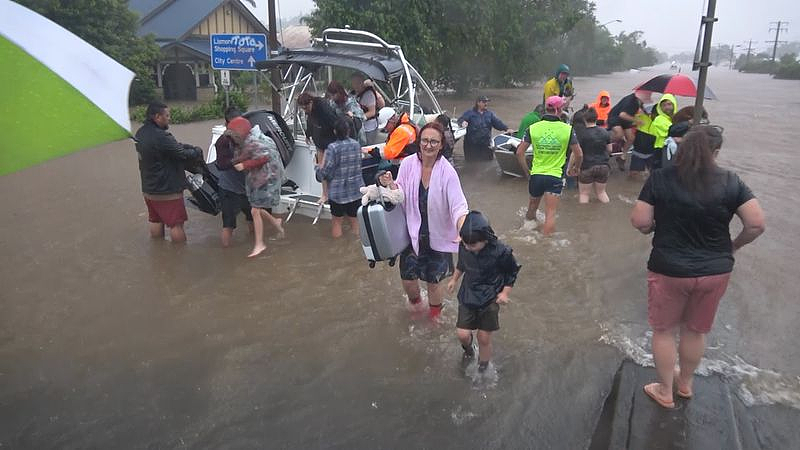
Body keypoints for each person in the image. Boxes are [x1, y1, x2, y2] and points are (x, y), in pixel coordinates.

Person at [630, 125, 765, 409]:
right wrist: (734, 245)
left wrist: (653, 228)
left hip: (669, 268)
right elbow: (756, 224)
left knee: (664, 330)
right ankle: (686, 384)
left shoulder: (661, 178)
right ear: (715, 153)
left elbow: (640, 221)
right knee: (695, 330)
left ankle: (665, 391)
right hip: (716, 269)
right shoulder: (731, 181)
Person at [381, 122, 469, 321]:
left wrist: (463, 230)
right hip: (412, 232)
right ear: (419, 142)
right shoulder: (408, 163)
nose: (428, 146)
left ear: (441, 145)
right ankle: (416, 307)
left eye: (434, 142)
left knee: (433, 281)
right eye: (425, 141)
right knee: (408, 279)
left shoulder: (448, 172)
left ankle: (434, 319)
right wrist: (391, 184)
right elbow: (400, 193)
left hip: (436, 235)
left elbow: (459, 206)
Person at [447, 211, 520, 373]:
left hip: (490, 297)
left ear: (485, 239)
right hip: (468, 294)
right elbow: (462, 264)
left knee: (484, 337)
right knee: (462, 334)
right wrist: (454, 279)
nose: (467, 247)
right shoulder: (465, 244)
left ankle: (482, 368)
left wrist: (505, 293)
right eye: (465, 244)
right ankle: (469, 351)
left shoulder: (501, 252)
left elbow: (512, 272)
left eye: (472, 245)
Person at [134, 102, 202, 243]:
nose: (169, 118)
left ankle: (161, 255)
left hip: (149, 189)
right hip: (167, 191)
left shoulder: (140, 133)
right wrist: (196, 151)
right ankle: (179, 257)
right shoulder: (161, 136)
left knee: (156, 220)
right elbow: (181, 153)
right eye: (167, 115)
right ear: (157, 117)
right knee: (176, 224)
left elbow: (171, 148)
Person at [515, 96, 582, 235]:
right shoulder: (567, 129)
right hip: (555, 176)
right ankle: (545, 245)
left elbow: (519, 152)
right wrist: (575, 168)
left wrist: (527, 172)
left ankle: (528, 231)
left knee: (532, 207)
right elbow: (579, 154)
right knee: (550, 213)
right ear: (560, 110)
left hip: (536, 175)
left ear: (546, 109)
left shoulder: (533, 128)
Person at [228, 117, 286, 258]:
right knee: (257, 208)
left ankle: (259, 244)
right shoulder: (246, 141)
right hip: (259, 177)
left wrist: (244, 165)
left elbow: (264, 157)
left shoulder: (255, 141)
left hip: (267, 177)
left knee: (255, 210)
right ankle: (277, 225)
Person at [315, 118, 365, 238]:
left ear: (335, 131)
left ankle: (337, 247)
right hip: (355, 191)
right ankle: (354, 247)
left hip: (338, 193)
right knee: (355, 221)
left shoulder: (333, 148)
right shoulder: (356, 144)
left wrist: (317, 167)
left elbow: (326, 172)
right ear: (348, 130)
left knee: (337, 222)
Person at [214, 107, 254, 247]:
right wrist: (239, 160)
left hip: (247, 187)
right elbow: (221, 165)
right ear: (227, 124)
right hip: (229, 189)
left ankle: (255, 245)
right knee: (228, 225)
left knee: (253, 218)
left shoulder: (250, 137)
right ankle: (227, 255)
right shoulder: (223, 141)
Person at [298, 93, 339, 203]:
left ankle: (334, 195)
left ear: (311, 102)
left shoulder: (323, 107)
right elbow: (310, 121)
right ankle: (324, 195)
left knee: (331, 169)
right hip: (319, 141)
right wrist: (307, 134)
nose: (305, 110)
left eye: (306, 107)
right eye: (302, 108)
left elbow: (335, 122)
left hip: (330, 141)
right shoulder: (309, 111)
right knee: (322, 169)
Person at [458, 96, 513, 162]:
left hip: (486, 144)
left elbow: (498, 123)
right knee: (472, 164)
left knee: (487, 163)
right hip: (472, 145)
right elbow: (460, 120)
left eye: (487, 102)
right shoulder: (469, 113)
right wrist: (463, 122)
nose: (486, 104)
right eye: (484, 102)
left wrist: (506, 129)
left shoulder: (490, 114)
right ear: (478, 103)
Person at [576, 108, 612, 203]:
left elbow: (576, 153)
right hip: (603, 166)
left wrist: (572, 167)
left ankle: (583, 216)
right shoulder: (605, 132)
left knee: (584, 194)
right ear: (596, 118)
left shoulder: (581, 134)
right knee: (601, 193)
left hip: (587, 166)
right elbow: (610, 150)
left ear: (584, 119)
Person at [606, 91, 647, 169]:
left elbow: (642, 111)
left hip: (626, 119)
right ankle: (604, 143)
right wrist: (636, 121)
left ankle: (622, 157)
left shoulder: (639, 101)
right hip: (615, 117)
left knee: (631, 138)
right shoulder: (630, 100)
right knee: (619, 134)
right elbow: (622, 115)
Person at [327, 80, 367, 145]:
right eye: (330, 95)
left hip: (355, 134)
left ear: (339, 92)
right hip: (341, 134)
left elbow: (363, 117)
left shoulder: (350, 102)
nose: (332, 97)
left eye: (333, 94)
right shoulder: (333, 104)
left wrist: (353, 116)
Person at [646, 94, 677, 172]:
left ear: (674, 104)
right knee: (659, 173)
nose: (667, 107)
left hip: (668, 149)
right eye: (664, 105)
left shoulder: (674, 118)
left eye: (669, 104)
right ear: (660, 108)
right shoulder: (659, 119)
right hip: (659, 150)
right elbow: (671, 131)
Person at [350, 73, 383, 145]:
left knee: (368, 146)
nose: (356, 85)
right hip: (359, 127)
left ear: (362, 82)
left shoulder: (368, 94)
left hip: (369, 127)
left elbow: (372, 112)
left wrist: (358, 117)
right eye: (354, 83)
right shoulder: (353, 94)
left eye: (358, 83)